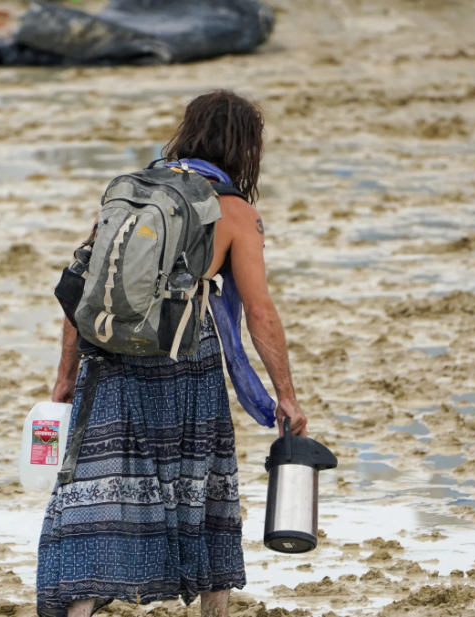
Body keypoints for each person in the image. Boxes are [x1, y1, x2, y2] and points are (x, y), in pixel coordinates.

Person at [38, 90, 308, 617]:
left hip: (109, 360)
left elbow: (84, 290)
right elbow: (259, 312)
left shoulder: (133, 191)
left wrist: (64, 379)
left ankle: (77, 609)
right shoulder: (234, 212)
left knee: (104, 489)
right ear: (245, 147)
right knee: (203, 487)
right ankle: (213, 611)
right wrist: (286, 397)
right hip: (187, 361)